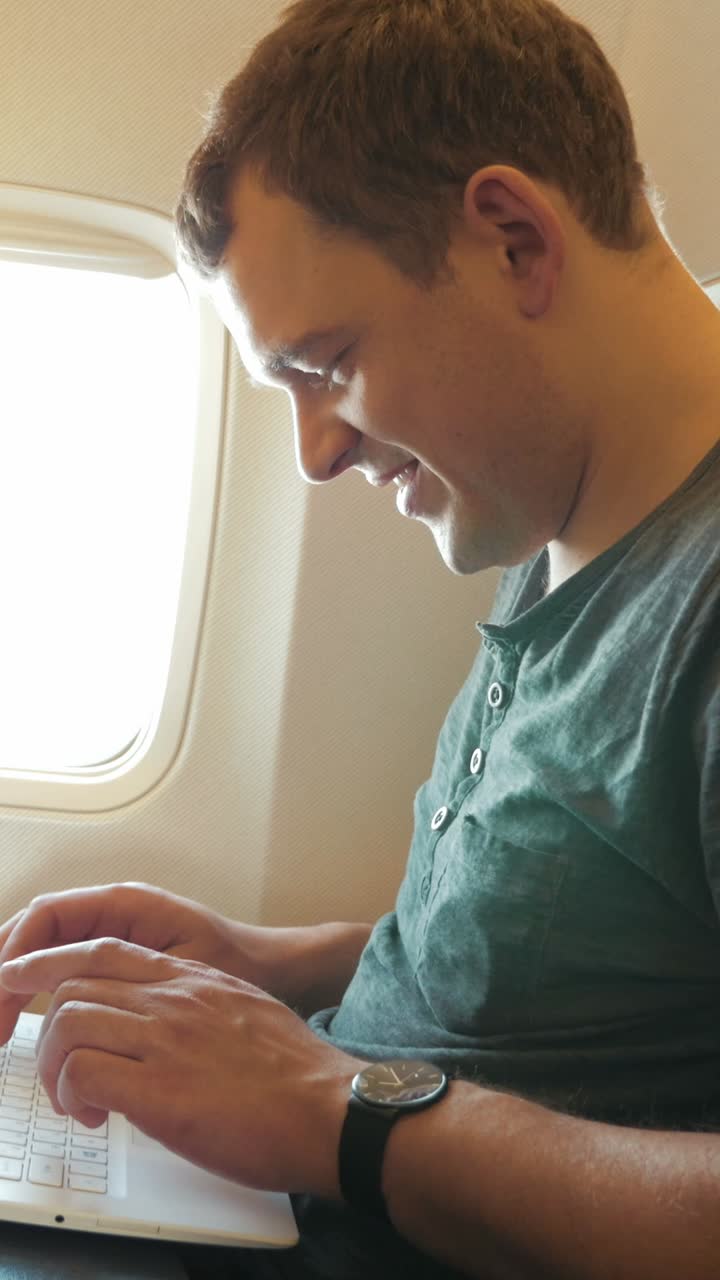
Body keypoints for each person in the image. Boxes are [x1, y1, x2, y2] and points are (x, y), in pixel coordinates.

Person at [2, 0, 720, 1275]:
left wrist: (332, 1109)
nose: (319, 451)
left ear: (513, 241)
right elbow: (573, 943)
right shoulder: (562, 505)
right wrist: (261, 963)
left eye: (326, 363)